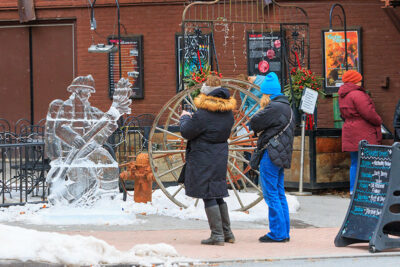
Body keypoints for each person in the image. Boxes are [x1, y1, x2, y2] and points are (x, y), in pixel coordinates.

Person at [45, 75, 132, 204]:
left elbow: (103, 122)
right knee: (85, 180)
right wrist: (73, 137)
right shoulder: (67, 106)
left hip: (88, 148)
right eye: (87, 90)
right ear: (77, 90)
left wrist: (114, 113)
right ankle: (60, 197)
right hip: (72, 151)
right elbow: (60, 127)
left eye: (90, 91)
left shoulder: (89, 109)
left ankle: (107, 199)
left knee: (108, 165)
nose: (89, 94)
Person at [179, 75, 236, 246]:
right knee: (218, 193)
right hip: (220, 155)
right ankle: (228, 233)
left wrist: (184, 118)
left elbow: (186, 132)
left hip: (203, 156)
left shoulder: (203, 115)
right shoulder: (228, 113)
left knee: (208, 195)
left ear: (206, 93)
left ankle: (217, 235)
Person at [249, 72, 295, 243]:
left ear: (268, 93)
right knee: (279, 193)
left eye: (263, 93)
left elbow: (254, 122)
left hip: (271, 154)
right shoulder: (286, 107)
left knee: (271, 194)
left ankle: (277, 233)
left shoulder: (274, 108)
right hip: (281, 155)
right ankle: (284, 232)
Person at [338, 70, 382, 195]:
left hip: (350, 130)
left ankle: (353, 189)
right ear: (355, 80)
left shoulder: (343, 95)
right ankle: (367, 189)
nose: (361, 81)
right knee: (369, 161)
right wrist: (379, 120)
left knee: (355, 162)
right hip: (363, 131)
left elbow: (343, 114)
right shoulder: (357, 94)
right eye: (359, 79)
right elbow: (368, 112)